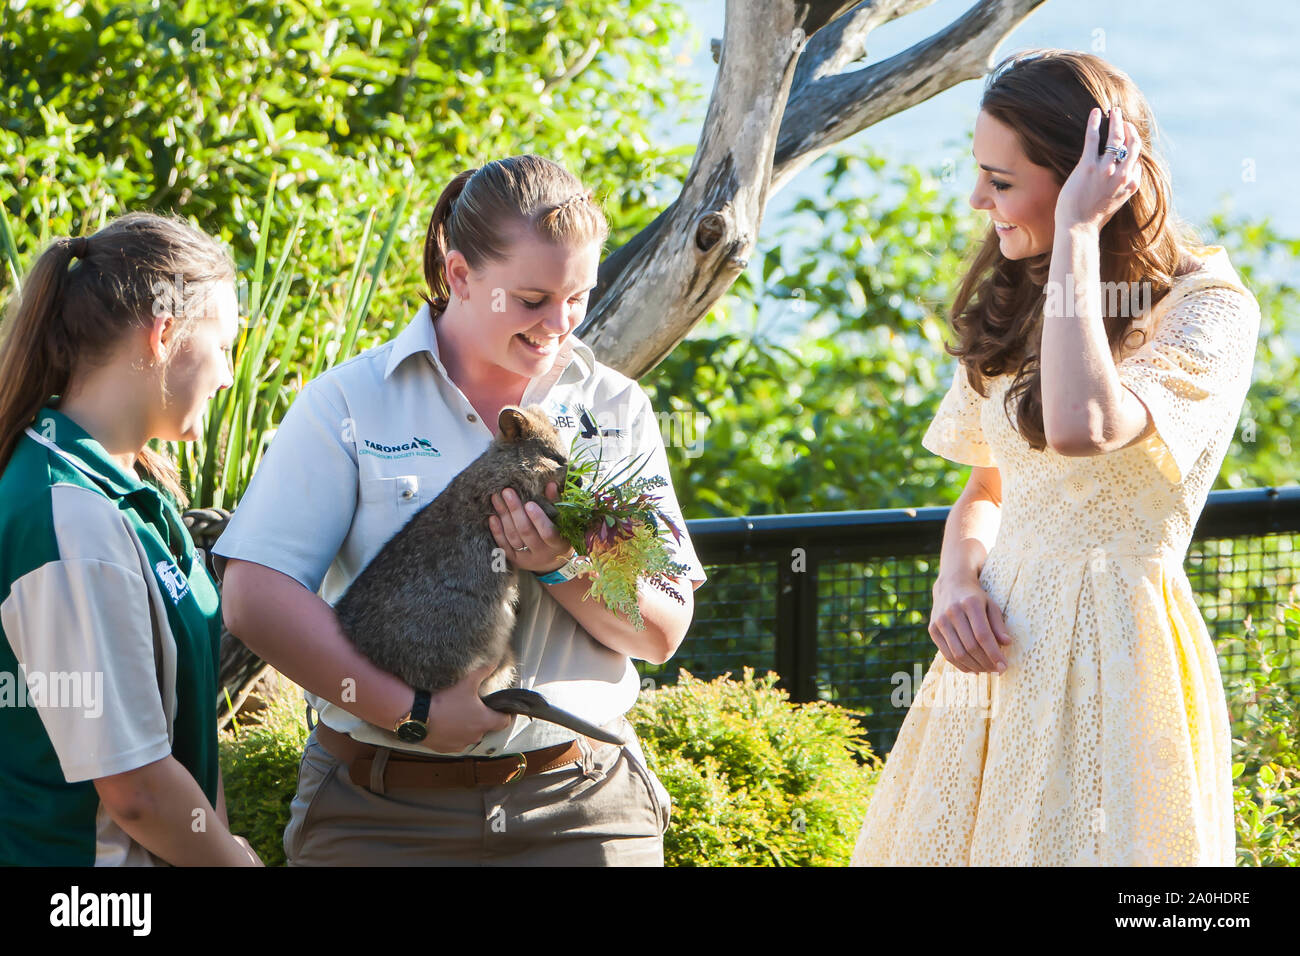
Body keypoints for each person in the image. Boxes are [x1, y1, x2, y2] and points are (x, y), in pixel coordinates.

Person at [214, 154, 707, 866]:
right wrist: (412, 716)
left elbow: (660, 632)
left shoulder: (612, 408)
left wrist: (558, 565)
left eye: (579, 297)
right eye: (532, 299)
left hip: (580, 808)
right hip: (381, 811)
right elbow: (255, 600)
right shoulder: (351, 402)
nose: (559, 325)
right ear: (459, 275)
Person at [851, 50, 1260, 866]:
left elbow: (1082, 425)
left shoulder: (1209, 308)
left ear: (1094, 179)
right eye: (981, 175)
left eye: (1001, 183)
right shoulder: (1023, 284)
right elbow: (989, 484)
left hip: (1120, 659)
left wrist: (1075, 231)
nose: (978, 201)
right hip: (994, 663)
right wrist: (955, 579)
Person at [0, 212, 262, 865]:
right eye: (224, 345)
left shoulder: (124, 485)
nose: (229, 374)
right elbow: (135, 788)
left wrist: (220, 846)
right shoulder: (67, 515)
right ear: (165, 333)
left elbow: (179, 740)